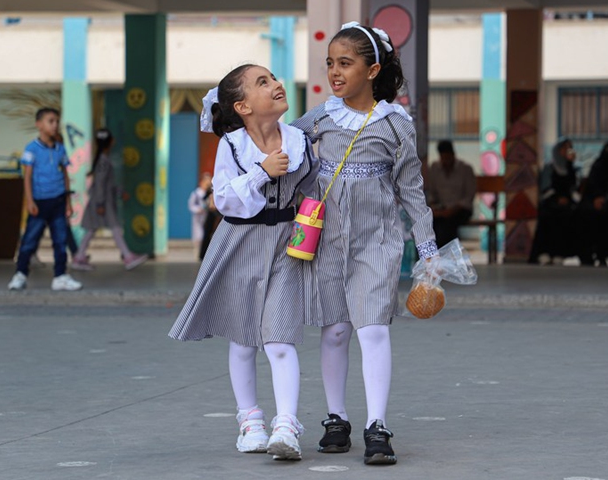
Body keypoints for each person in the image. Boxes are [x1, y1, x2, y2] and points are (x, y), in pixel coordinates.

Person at [291, 21, 438, 466]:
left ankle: (378, 425)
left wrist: (428, 251)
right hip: (327, 239)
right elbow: (281, 147)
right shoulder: (318, 118)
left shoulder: (395, 124)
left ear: (373, 70)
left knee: (372, 329)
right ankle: (336, 419)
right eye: (330, 63)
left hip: (378, 240)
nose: (335, 72)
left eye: (346, 64)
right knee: (334, 331)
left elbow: (412, 189)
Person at [169, 64, 318, 461]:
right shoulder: (232, 144)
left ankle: (286, 423)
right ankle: (250, 419)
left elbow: (311, 188)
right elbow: (225, 198)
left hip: (287, 246)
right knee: (242, 338)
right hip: (240, 242)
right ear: (243, 106)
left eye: (274, 78)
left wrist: (311, 228)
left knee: (280, 337)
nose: (277, 85)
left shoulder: (300, 138)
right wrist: (261, 172)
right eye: (263, 82)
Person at [8, 107, 82, 291]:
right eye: (50, 121)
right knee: (30, 240)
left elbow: (65, 174)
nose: (55, 125)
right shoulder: (31, 148)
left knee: (60, 240)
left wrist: (68, 203)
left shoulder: (60, 149)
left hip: (58, 201)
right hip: (39, 202)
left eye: (57, 121)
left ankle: (60, 276)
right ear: (39, 124)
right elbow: (27, 177)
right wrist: (30, 201)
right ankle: (20, 274)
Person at [71, 129, 148, 271]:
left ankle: (80, 256)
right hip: (102, 202)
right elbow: (101, 183)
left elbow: (107, 183)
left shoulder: (102, 159)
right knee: (113, 228)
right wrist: (100, 203)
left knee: (93, 230)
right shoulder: (103, 161)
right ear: (110, 141)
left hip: (103, 201)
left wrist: (119, 192)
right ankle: (127, 256)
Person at [528, 138, 579, 265]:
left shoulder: (571, 168)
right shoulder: (549, 167)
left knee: (570, 216)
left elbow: (573, 188)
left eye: (568, 149)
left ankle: (560, 252)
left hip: (567, 203)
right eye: (564, 149)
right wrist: (557, 198)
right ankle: (544, 252)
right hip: (550, 202)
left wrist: (571, 165)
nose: (566, 152)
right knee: (549, 216)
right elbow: (546, 188)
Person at [425, 139, 475, 247]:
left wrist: (453, 209)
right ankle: (434, 255)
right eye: (443, 158)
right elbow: (432, 193)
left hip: (460, 209)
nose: (446, 161)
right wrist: (434, 207)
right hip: (441, 208)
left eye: (448, 157)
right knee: (431, 223)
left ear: (453, 155)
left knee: (448, 224)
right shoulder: (435, 169)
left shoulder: (465, 169)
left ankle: (448, 253)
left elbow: (469, 196)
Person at [188, 172, 212, 257]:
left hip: (206, 218)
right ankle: (198, 254)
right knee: (198, 237)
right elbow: (191, 205)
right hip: (198, 218)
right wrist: (198, 209)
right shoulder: (196, 194)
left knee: (205, 236)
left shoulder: (210, 193)